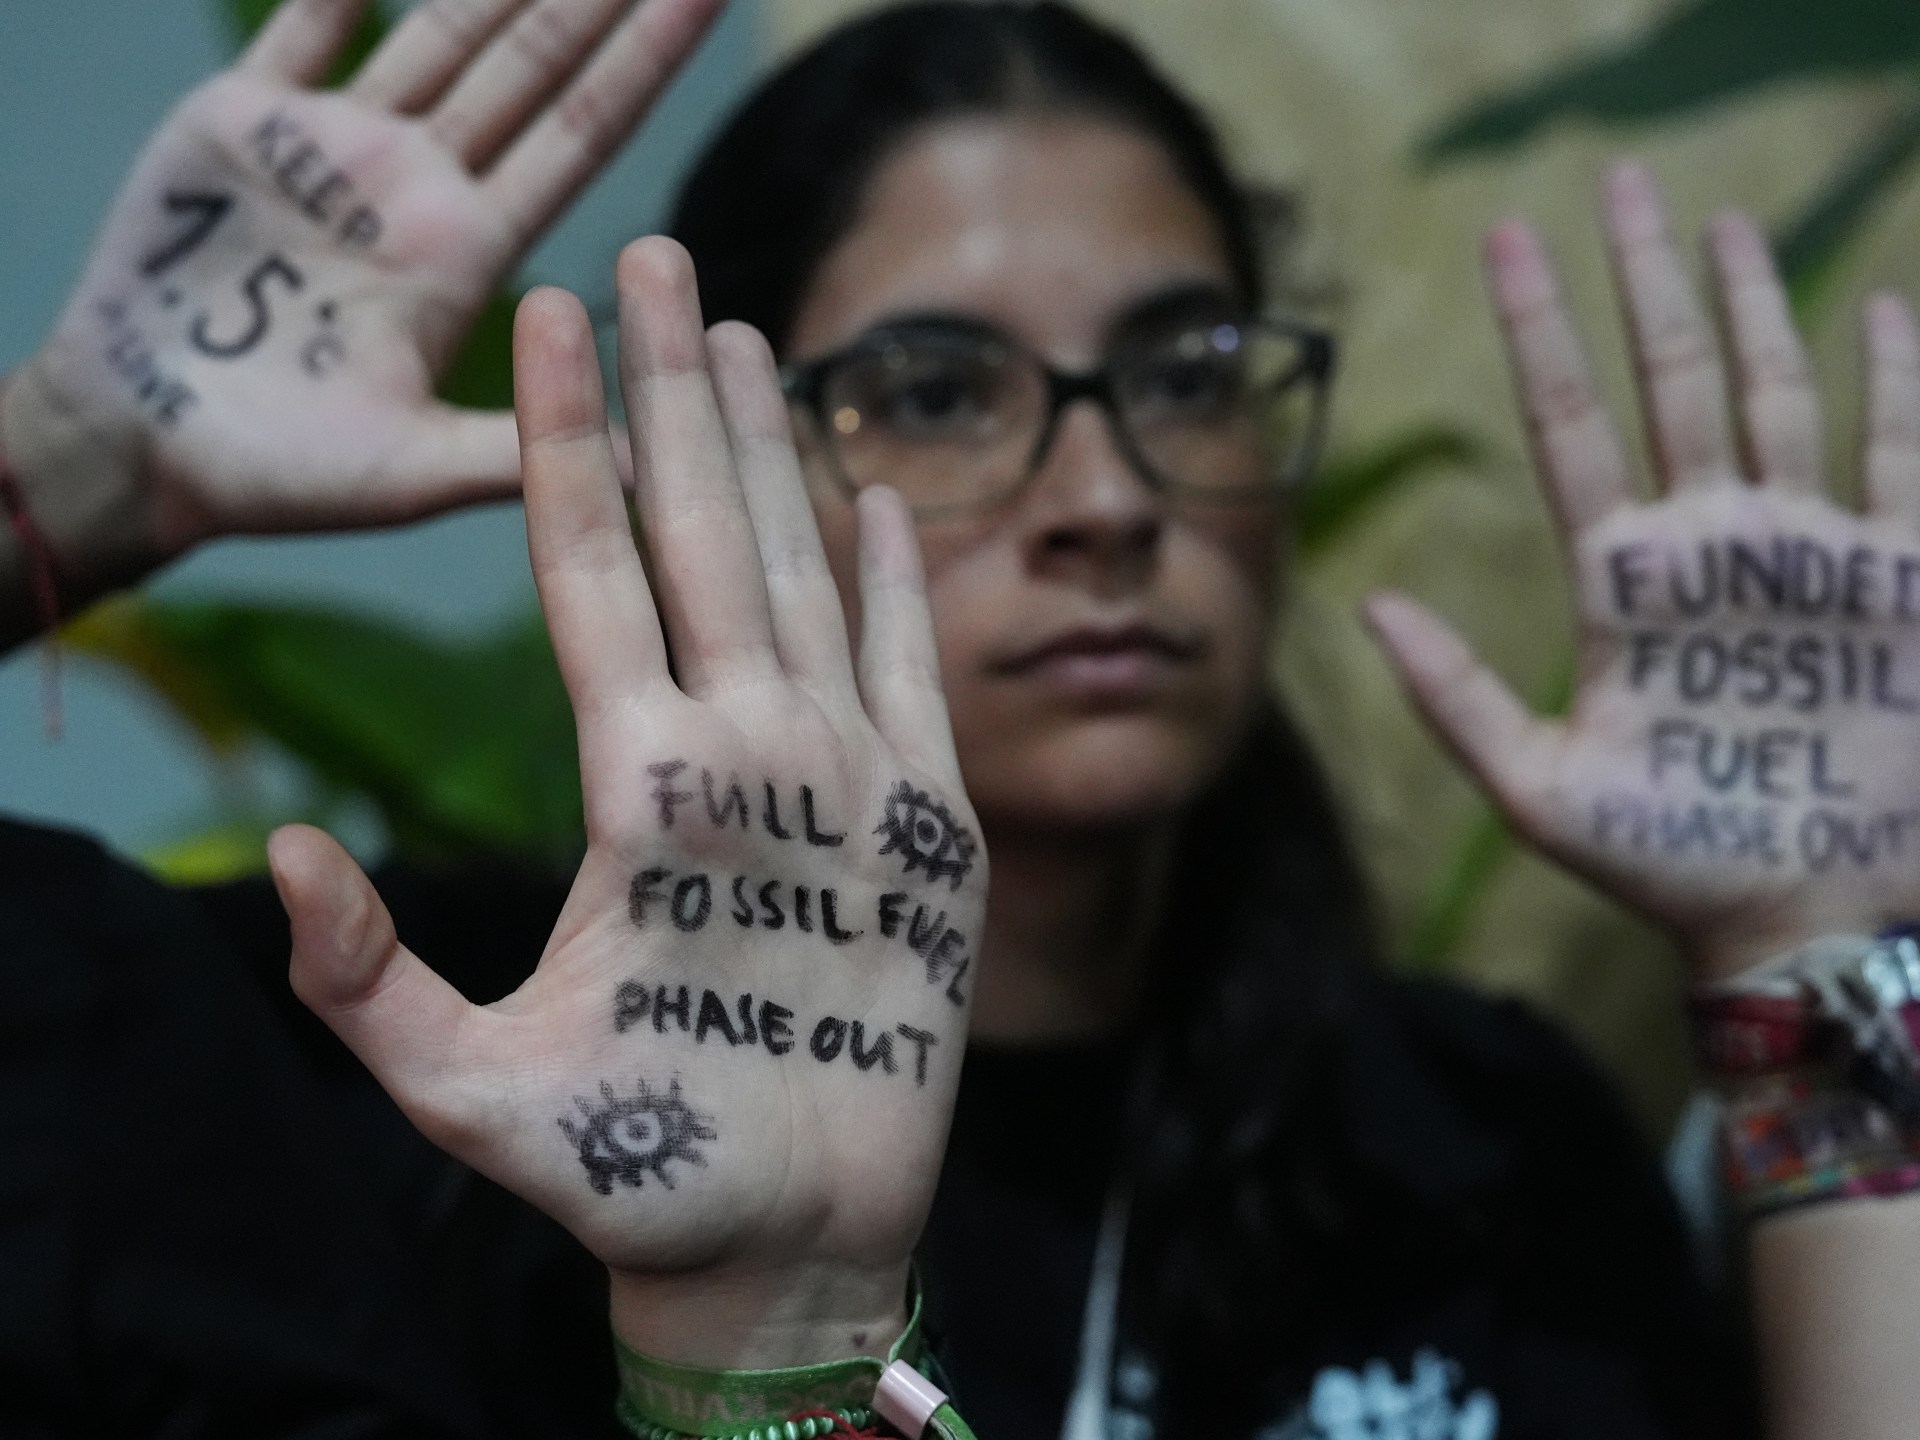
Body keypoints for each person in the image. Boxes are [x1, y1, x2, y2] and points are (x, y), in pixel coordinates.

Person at [5, 2, 1920, 1438]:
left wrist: (1806, 944)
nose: (1108, 496)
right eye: (933, 390)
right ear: (716, 472)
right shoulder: (388, 1065)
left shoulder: (1477, 1146)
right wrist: (67, 472)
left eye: (1187, 372)